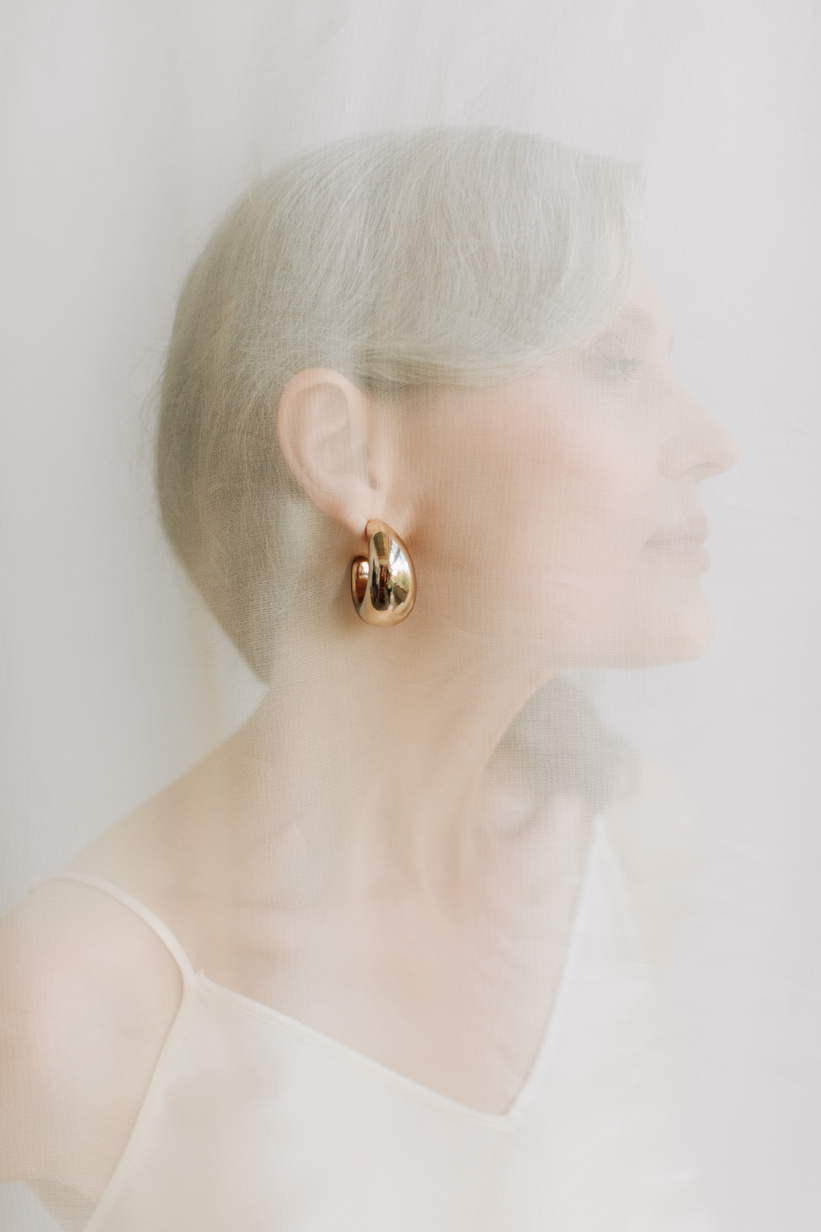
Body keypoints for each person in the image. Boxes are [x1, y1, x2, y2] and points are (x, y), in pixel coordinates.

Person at [0, 127, 738, 1231]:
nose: (710, 441)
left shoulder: (626, 846)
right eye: (616, 362)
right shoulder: (85, 1000)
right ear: (348, 452)